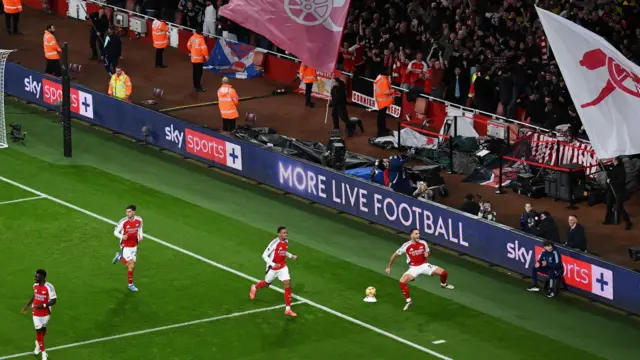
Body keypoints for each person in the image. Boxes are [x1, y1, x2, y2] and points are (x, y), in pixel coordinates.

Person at [385, 229, 454, 311]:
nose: (418, 235)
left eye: (418, 234)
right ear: (411, 235)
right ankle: (409, 301)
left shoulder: (423, 243)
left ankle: (443, 284)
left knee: (444, 273)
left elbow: (428, 253)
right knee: (402, 282)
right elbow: (395, 255)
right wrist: (389, 267)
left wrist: (427, 254)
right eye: (416, 234)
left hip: (424, 265)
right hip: (413, 268)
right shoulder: (406, 245)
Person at [249, 226, 298, 317]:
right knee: (267, 284)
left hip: (283, 266)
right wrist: (272, 264)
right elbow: (264, 255)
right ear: (279, 234)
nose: (286, 234)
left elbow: (283, 252)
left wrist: (291, 256)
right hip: (272, 268)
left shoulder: (286, 241)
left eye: (286, 233)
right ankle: (255, 287)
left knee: (287, 284)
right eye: (284, 233)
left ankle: (288, 309)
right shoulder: (274, 243)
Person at [21, 269, 57, 360]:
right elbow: (34, 295)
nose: (35, 277)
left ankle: (38, 344)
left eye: (37, 276)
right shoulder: (35, 285)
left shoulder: (49, 287)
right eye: (35, 276)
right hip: (36, 313)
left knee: (43, 331)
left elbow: (54, 301)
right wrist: (27, 305)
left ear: (42, 277)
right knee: (38, 330)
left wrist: (43, 305)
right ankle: (43, 352)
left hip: (46, 313)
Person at [111, 205, 143, 292]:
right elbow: (115, 232)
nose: (127, 213)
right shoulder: (123, 221)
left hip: (134, 245)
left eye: (129, 212)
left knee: (132, 266)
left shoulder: (139, 219)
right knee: (131, 265)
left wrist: (141, 235)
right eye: (126, 212)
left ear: (134, 212)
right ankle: (130, 285)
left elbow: (140, 228)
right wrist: (122, 236)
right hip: (125, 246)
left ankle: (119, 257)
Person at [604, 156, 632, 230]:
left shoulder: (622, 170)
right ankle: (608, 220)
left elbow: (621, 181)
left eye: (614, 160)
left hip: (619, 191)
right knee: (609, 204)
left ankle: (629, 222)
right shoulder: (613, 166)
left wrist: (611, 181)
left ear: (617, 161)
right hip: (611, 189)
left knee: (620, 206)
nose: (612, 161)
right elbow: (604, 167)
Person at [187, 27, 209, 92]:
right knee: (199, 73)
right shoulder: (201, 40)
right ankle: (198, 87)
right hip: (199, 59)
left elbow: (188, 45)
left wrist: (192, 50)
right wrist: (207, 57)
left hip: (193, 59)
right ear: (201, 32)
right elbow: (204, 49)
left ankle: (195, 85)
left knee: (194, 72)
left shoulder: (192, 38)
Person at [373, 68, 394, 137]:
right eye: (388, 70)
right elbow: (386, 92)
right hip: (383, 101)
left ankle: (383, 129)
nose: (390, 71)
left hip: (381, 100)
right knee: (381, 117)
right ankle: (381, 132)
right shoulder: (384, 80)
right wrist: (393, 90)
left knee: (381, 116)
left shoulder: (381, 78)